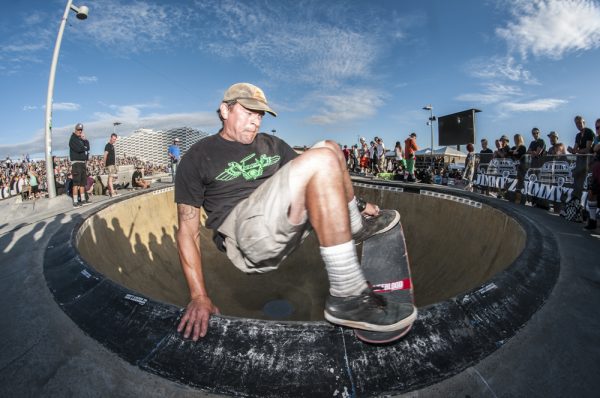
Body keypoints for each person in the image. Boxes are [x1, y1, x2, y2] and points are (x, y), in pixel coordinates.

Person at [174, 82, 416, 341]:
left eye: (259, 116)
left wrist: (358, 205)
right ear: (225, 110)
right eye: (248, 113)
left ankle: (355, 227)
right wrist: (199, 296)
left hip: (282, 222)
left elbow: (321, 174)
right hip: (245, 236)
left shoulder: (272, 145)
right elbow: (187, 232)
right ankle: (348, 295)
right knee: (321, 157)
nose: (255, 122)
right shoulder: (197, 157)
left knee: (330, 148)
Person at [69, 123, 90, 207]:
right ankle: (75, 201)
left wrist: (85, 140)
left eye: (81, 130)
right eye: (78, 130)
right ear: (75, 129)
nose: (79, 131)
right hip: (76, 163)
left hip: (82, 163)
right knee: (76, 183)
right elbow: (78, 149)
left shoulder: (81, 139)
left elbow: (87, 147)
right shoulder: (73, 138)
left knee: (82, 183)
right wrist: (84, 147)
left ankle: (83, 199)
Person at [103, 133, 119, 197]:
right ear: (111, 138)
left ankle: (109, 191)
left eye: (115, 139)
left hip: (112, 164)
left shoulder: (112, 146)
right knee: (110, 178)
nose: (114, 140)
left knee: (111, 178)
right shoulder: (108, 145)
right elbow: (105, 155)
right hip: (109, 164)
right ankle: (112, 193)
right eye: (113, 139)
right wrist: (104, 164)